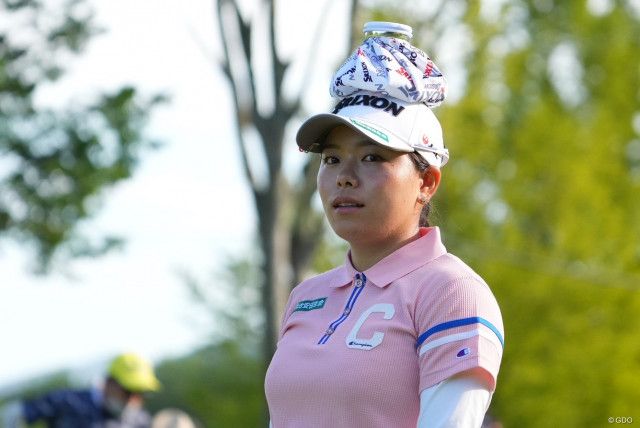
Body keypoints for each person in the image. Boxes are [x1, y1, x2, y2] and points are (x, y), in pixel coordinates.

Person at [264, 22, 504, 428]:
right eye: (332, 159)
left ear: (426, 182)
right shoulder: (306, 295)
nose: (344, 177)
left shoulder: (452, 291)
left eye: (372, 157)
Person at [15, 352, 161, 428]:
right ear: (110, 383)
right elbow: (15, 414)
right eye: (128, 391)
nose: (134, 399)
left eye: (141, 393)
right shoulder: (66, 402)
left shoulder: (140, 421)